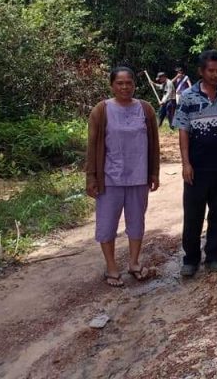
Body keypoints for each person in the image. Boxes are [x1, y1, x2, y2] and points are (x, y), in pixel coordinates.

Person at [85, 66, 160, 287]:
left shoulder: (145, 109)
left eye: (129, 83)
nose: (125, 87)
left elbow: (154, 144)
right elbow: (92, 146)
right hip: (110, 179)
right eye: (120, 83)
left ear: (134, 85)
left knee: (136, 222)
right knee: (107, 224)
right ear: (112, 86)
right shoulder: (101, 110)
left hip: (138, 177)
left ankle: (134, 263)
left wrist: (154, 172)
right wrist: (91, 177)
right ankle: (111, 267)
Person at [173, 50, 217, 277]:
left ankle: (214, 257)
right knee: (193, 214)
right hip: (197, 166)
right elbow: (183, 131)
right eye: (211, 70)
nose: (216, 75)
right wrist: (185, 164)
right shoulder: (188, 96)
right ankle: (190, 260)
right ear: (201, 71)